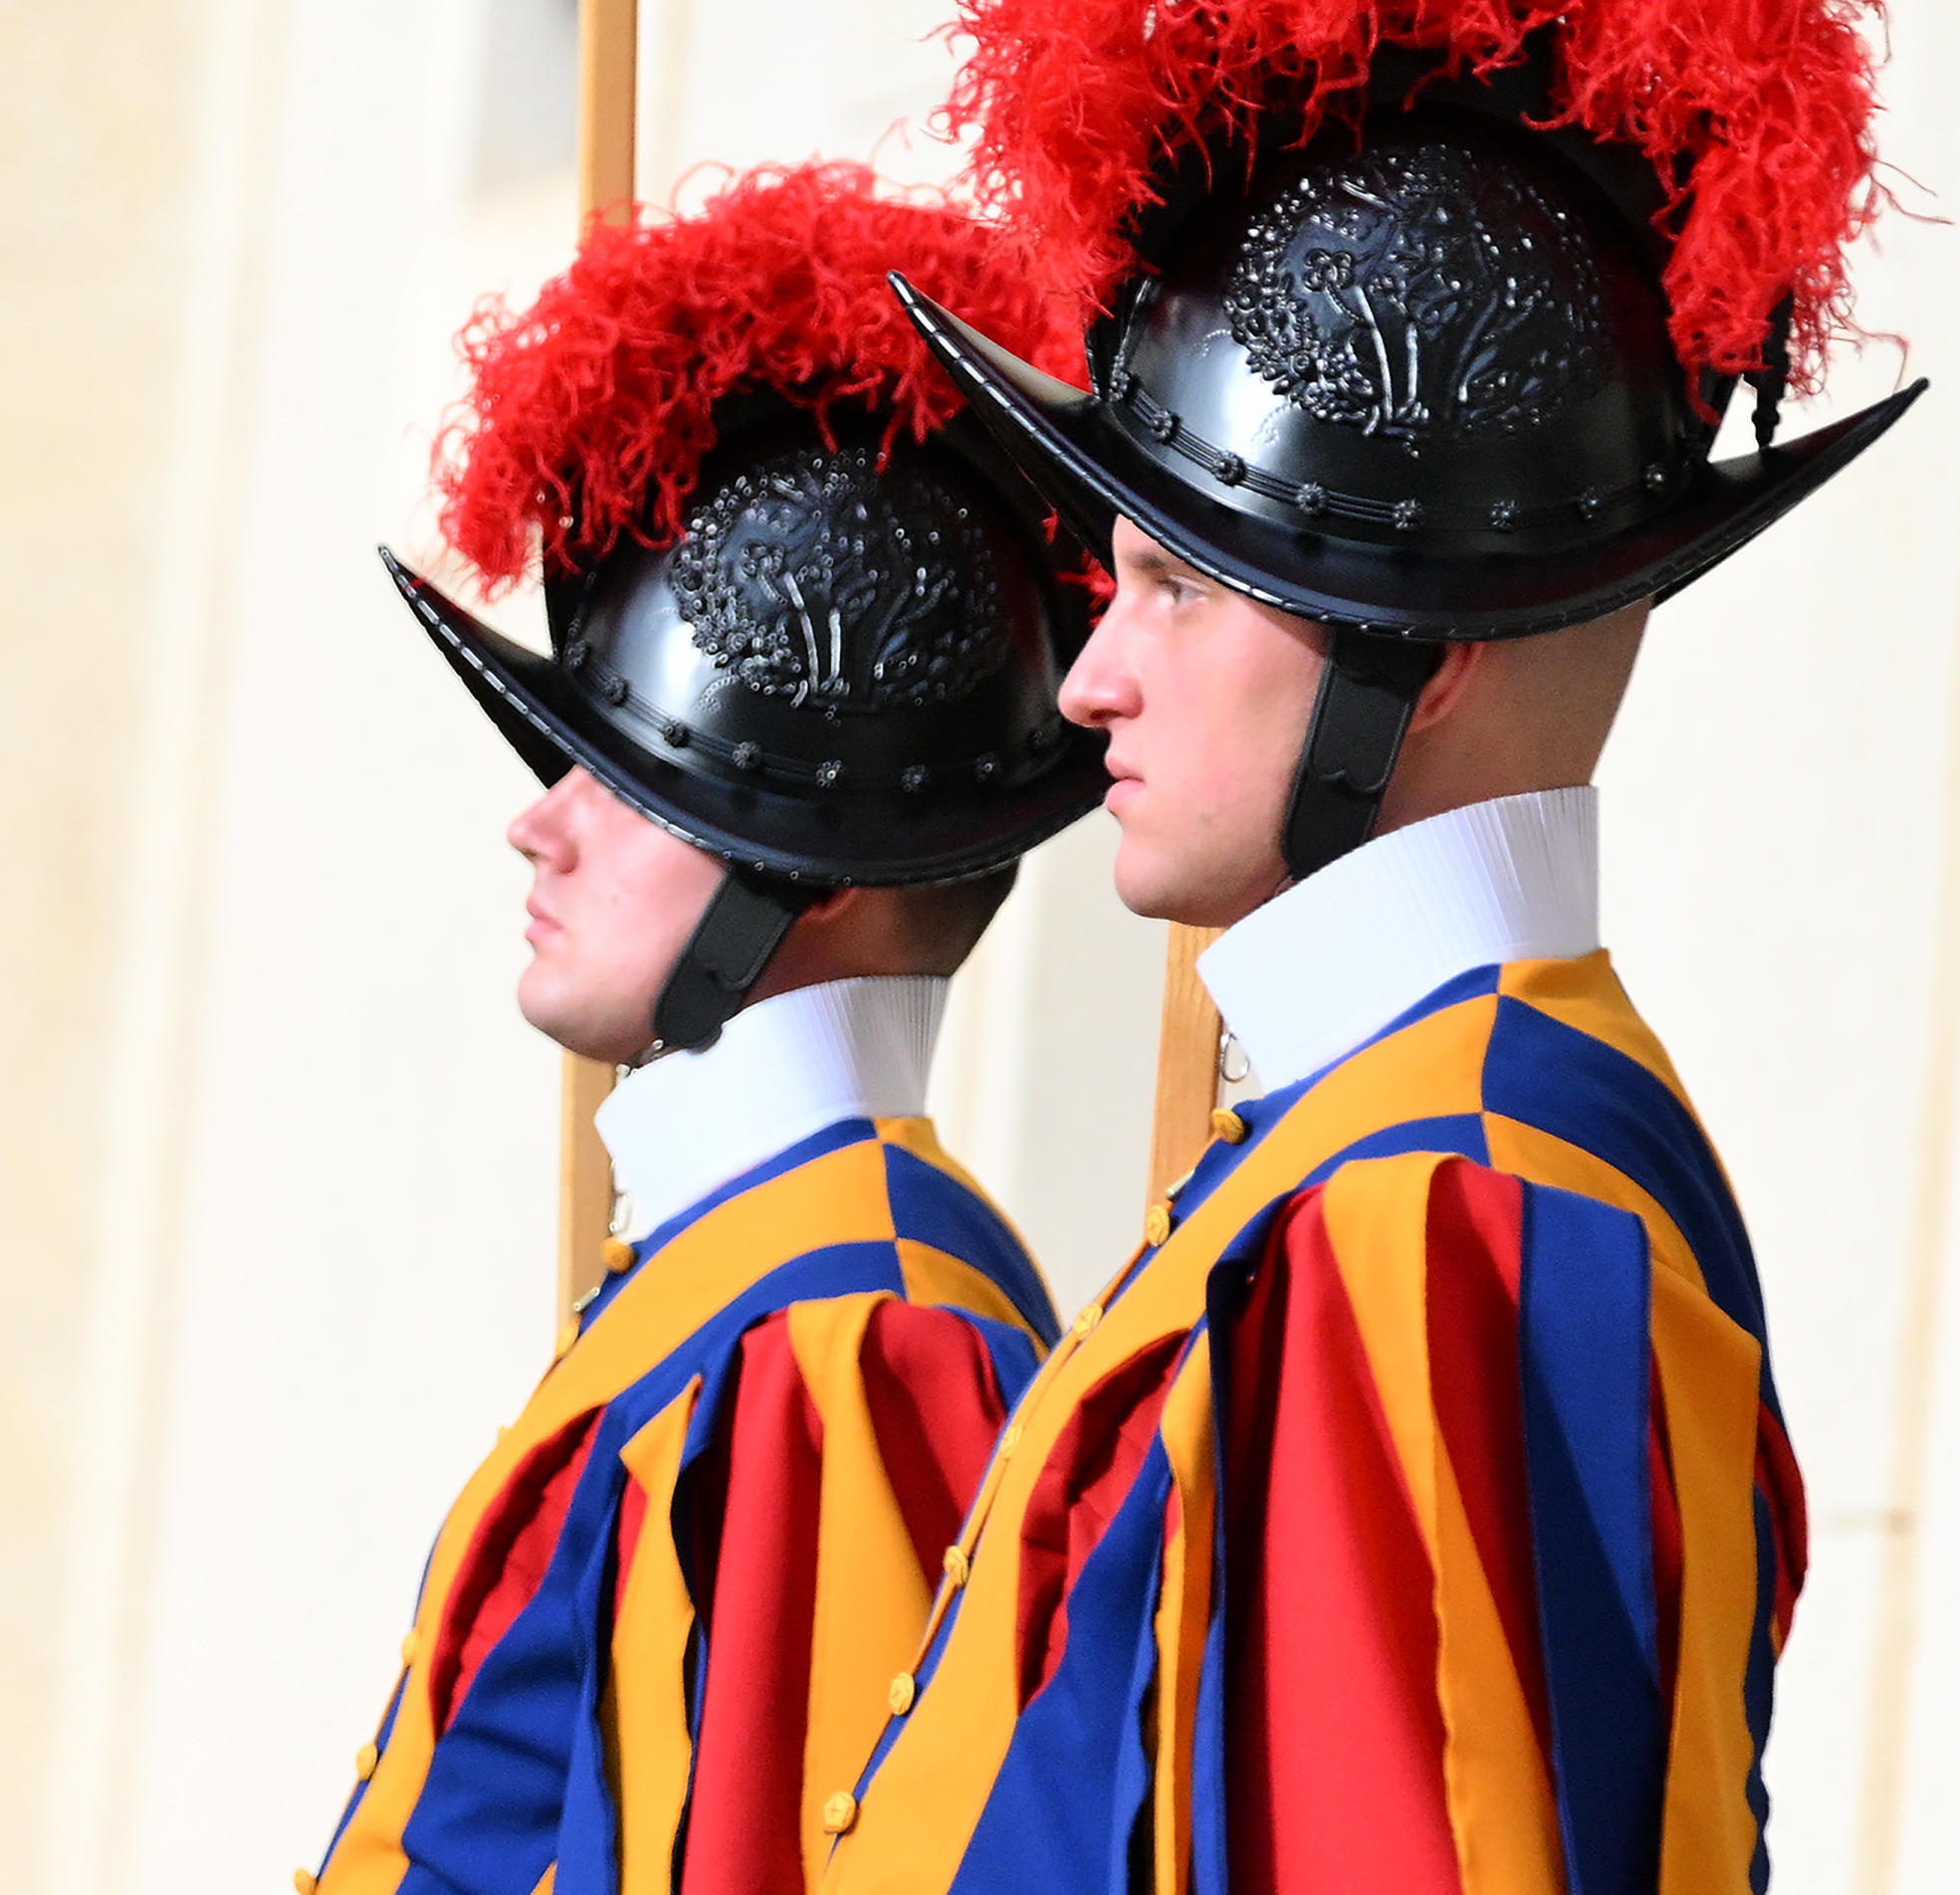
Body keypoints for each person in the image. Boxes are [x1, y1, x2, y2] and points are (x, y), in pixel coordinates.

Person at [817, 6, 1918, 1891]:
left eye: (1171, 580)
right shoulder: (1402, 1147)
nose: (1089, 675)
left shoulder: (1429, 1201)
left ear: (1419, 645)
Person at [308, 164, 1099, 1895]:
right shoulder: (749, 1278)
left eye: (629, 770)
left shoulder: (845, 1325)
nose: (541, 819)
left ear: (810, 857)